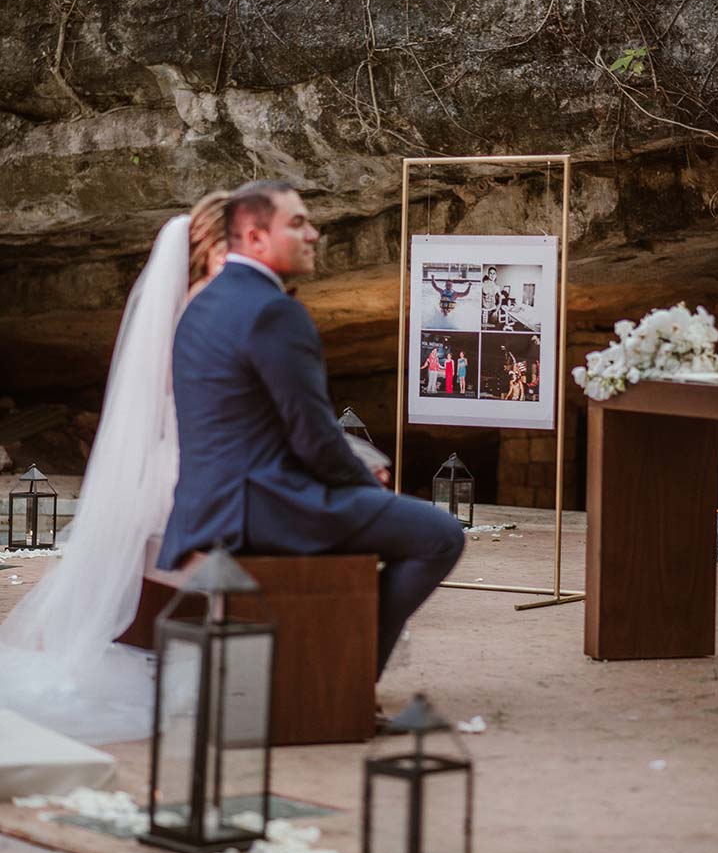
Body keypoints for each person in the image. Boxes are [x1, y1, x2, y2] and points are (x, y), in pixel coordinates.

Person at [158, 180, 464, 677]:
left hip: (205, 505)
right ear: (256, 238)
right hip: (261, 507)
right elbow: (313, 434)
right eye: (297, 224)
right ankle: (349, 675)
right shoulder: (274, 310)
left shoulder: (203, 304)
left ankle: (338, 667)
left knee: (403, 525)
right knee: (441, 535)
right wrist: (369, 488)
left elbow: (266, 424)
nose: (314, 234)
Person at [0, 192, 229, 743]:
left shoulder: (189, 301)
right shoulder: (207, 307)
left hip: (167, 460)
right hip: (190, 463)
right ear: (210, 248)